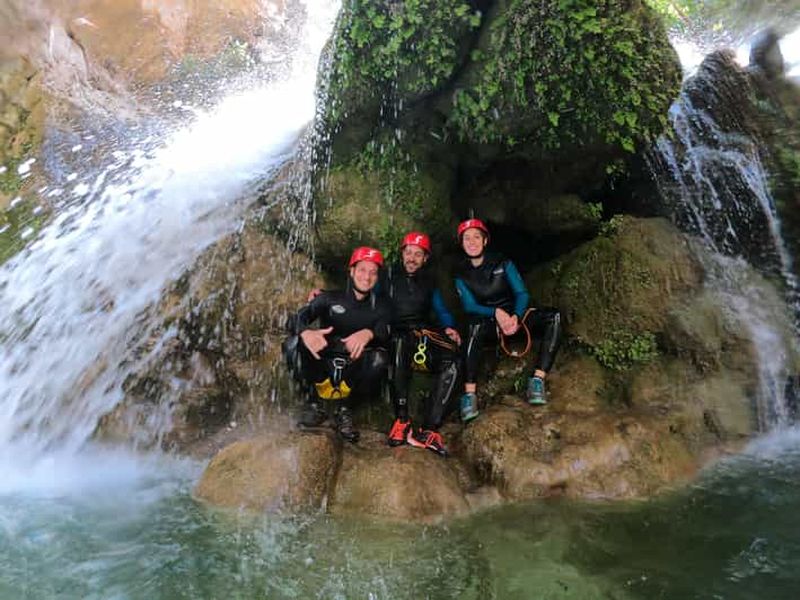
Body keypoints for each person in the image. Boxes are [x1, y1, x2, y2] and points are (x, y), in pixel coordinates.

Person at [453, 219, 562, 421]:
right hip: (489, 322)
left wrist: (516, 317)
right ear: (461, 243)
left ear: (485, 240)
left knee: (553, 317)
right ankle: (469, 394)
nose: (472, 242)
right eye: (466, 238)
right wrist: (495, 313)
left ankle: (538, 379)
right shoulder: (461, 273)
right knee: (473, 327)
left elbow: (521, 293)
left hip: (515, 317)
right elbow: (469, 306)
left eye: (476, 237)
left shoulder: (502, 262)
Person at [283, 246, 391, 442]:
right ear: (351, 271)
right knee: (292, 344)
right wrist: (306, 332)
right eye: (362, 270)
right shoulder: (329, 298)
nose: (366, 277)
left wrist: (369, 333)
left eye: (373, 272)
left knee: (380, 358)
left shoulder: (381, 306)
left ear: (378, 277)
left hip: (353, 367)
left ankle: (345, 410)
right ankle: (314, 405)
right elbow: (295, 318)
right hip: (323, 364)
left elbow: (386, 332)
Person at [383, 232, 462, 457]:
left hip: (420, 337)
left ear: (425, 259)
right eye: (409, 253)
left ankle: (429, 429)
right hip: (394, 337)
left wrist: (449, 327)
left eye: (418, 254)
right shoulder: (387, 276)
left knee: (454, 359)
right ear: (402, 254)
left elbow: (441, 310)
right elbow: (361, 292)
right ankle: (402, 420)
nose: (412, 258)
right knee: (399, 342)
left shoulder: (429, 282)